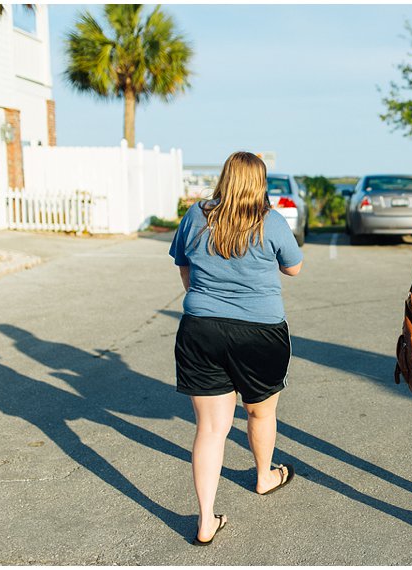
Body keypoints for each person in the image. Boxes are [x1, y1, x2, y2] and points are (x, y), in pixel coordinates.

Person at [169, 151, 303, 545]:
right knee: (260, 413)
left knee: (211, 430)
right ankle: (264, 476)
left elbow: (183, 265)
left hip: (201, 329)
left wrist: (203, 299)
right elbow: (294, 267)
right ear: (260, 184)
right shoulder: (271, 221)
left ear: (225, 178)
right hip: (259, 333)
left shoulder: (196, 216)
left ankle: (206, 520)